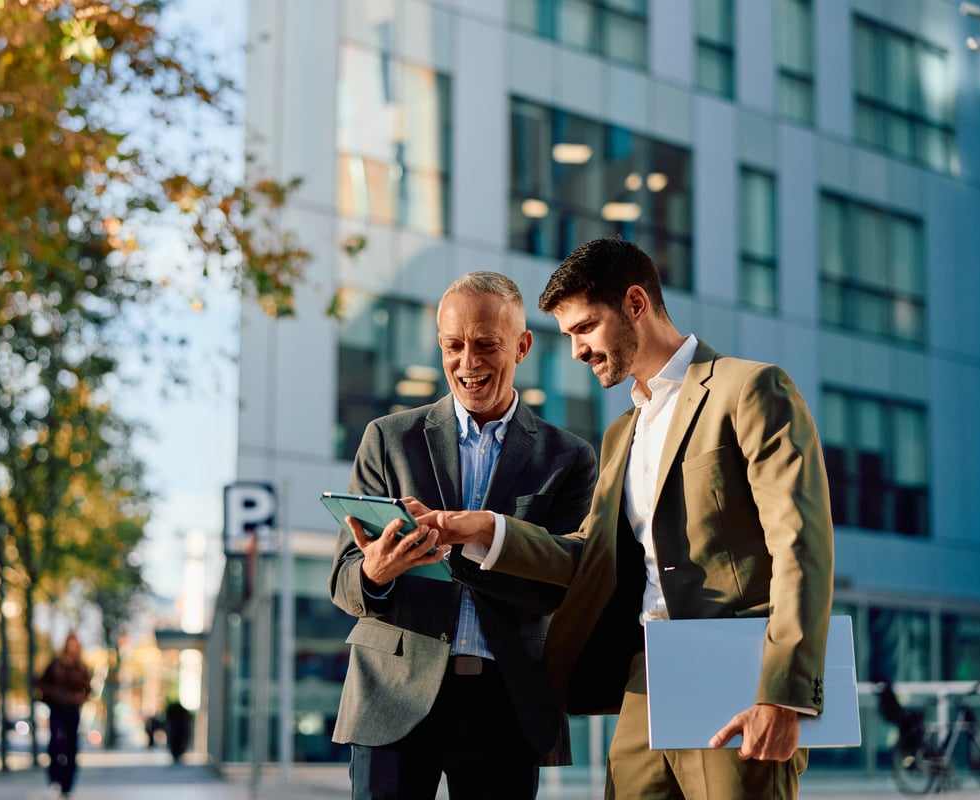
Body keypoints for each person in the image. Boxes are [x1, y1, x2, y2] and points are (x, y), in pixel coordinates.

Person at [424, 237, 834, 800]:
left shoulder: (749, 389)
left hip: (736, 675)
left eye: (585, 329)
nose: (576, 351)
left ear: (636, 304)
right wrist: (484, 529)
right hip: (646, 679)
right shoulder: (622, 432)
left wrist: (783, 693)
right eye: (569, 336)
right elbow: (591, 557)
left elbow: (801, 547)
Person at [330, 271, 598, 799]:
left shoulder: (567, 458)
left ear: (521, 346)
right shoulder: (388, 439)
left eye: (485, 345)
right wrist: (375, 573)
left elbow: (563, 585)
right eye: (453, 346)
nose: (467, 363)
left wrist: (467, 543)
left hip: (507, 702)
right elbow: (342, 582)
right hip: (392, 699)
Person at [36, 632, 91, 799]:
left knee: (71, 746)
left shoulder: (81, 667)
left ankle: (67, 784)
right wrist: (53, 695)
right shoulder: (55, 664)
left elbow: (88, 688)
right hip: (57, 708)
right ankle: (55, 778)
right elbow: (42, 683)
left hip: (72, 709)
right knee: (56, 743)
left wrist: (79, 697)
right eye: (70, 644)